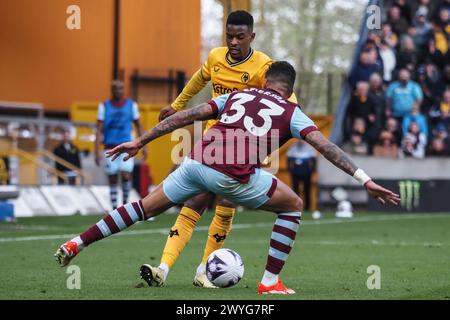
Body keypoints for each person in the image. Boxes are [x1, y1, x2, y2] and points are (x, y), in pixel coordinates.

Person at [55, 61, 400, 295]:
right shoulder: (292, 112)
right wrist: (364, 179)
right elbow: (326, 146)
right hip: (233, 177)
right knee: (293, 205)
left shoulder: (236, 95)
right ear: (289, 89)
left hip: (195, 163)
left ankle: (78, 242)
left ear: (265, 82)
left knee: (143, 207)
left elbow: (186, 116)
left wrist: (141, 140)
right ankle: (270, 282)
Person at [152, 10, 297, 288]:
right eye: (229, 35)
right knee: (195, 200)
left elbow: (286, 102)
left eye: (240, 37)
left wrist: (269, 143)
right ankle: (163, 267)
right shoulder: (216, 57)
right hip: (212, 141)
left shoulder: (264, 66)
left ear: (252, 36)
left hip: (244, 147)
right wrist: (177, 105)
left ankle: (205, 270)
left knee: (227, 201)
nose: (233, 42)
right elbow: (199, 79)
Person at [94, 79, 147, 210]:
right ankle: (113, 208)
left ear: (124, 90)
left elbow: (139, 125)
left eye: (121, 88)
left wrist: (144, 145)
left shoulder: (131, 105)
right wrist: (96, 151)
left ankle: (124, 206)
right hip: (109, 147)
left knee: (125, 174)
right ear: (112, 90)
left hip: (127, 146)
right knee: (112, 177)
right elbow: (99, 129)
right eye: (116, 88)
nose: (118, 91)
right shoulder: (104, 106)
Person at [286, 140, 316, 211]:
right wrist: (290, 170)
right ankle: (296, 207)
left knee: (307, 190)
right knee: (295, 190)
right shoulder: (293, 148)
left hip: (306, 173)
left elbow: (314, 160)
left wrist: (312, 170)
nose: (300, 142)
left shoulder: (309, 148)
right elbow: (288, 159)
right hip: (296, 173)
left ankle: (307, 207)